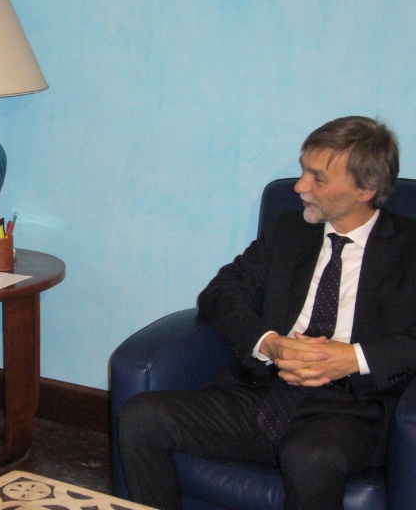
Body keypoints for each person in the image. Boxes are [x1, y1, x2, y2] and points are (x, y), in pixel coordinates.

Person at [118, 116, 416, 510]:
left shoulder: (409, 248)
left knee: (309, 457)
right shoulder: (290, 230)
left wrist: (354, 358)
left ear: (366, 190)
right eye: (304, 170)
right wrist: (269, 344)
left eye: (318, 178)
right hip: (264, 392)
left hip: (351, 409)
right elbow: (221, 292)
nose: (300, 187)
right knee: (141, 416)